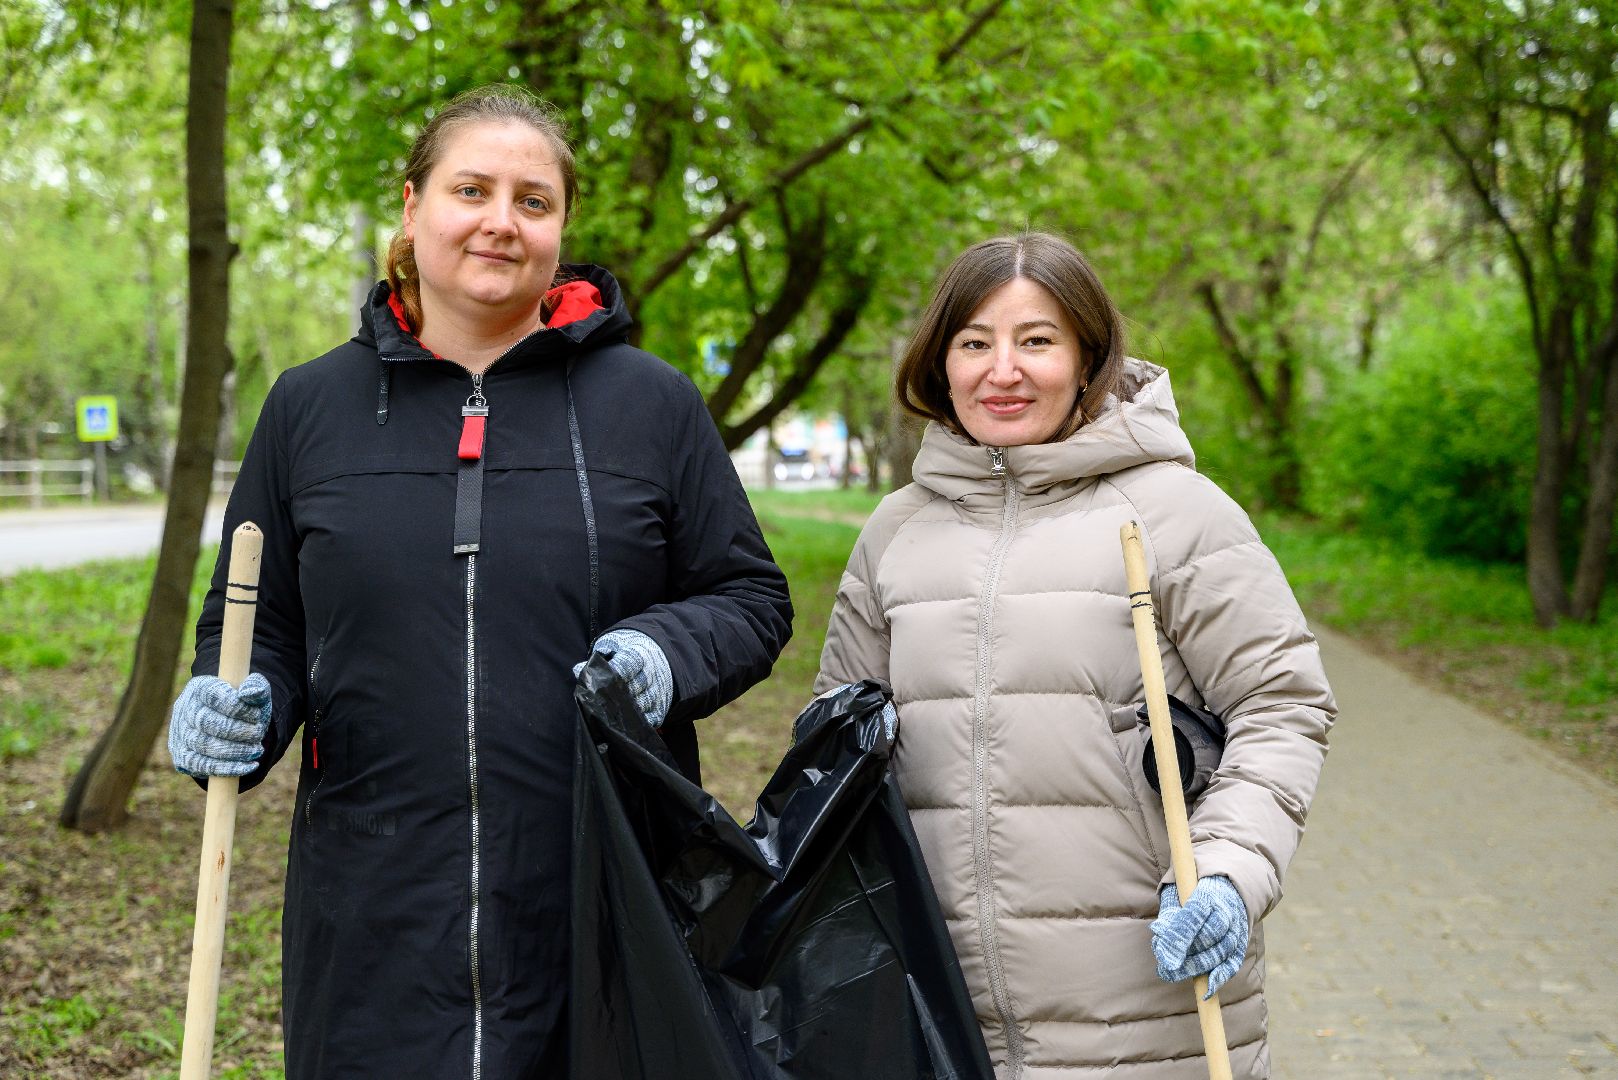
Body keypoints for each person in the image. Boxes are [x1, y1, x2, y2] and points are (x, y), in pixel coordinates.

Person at [166, 85, 792, 1078]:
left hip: (605, 889)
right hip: (372, 904)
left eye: (533, 200)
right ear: (412, 211)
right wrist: (233, 702)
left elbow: (751, 598)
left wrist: (664, 653)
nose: (502, 221)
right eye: (472, 190)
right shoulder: (308, 408)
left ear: (560, 228)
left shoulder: (650, 403)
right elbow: (259, 622)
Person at [815, 232, 1334, 1079]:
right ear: (940, 361)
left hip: (1144, 1016)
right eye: (975, 342)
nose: (1003, 370)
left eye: (1037, 341)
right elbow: (838, 748)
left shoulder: (1178, 514)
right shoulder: (894, 532)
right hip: (935, 1015)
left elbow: (1283, 707)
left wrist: (1230, 871)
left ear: (1089, 357)